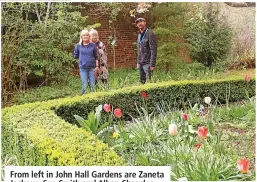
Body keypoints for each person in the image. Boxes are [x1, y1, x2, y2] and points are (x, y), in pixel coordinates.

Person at [74, 29, 98, 94]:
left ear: (89, 36)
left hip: (92, 68)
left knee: (92, 84)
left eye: (87, 35)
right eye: (84, 35)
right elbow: (75, 56)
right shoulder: (78, 46)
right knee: (84, 84)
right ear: (81, 37)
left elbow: (96, 56)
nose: (85, 36)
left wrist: (97, 66)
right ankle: (84, 98)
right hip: (83, 68)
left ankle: (93, 97)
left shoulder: (93, 45)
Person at [136, 17, 157, 84]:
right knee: (142, 82)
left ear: (145, 23)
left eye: (141, 22)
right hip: (141, 63)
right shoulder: (139, 35)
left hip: (148, 64)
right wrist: (138, 62)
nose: (140, 24)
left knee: (149, 83)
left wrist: (152, 64)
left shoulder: (150, 33)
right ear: (137, 25)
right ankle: (144, 95)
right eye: (138, 23)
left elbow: (153, 50)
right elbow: (139, 50)